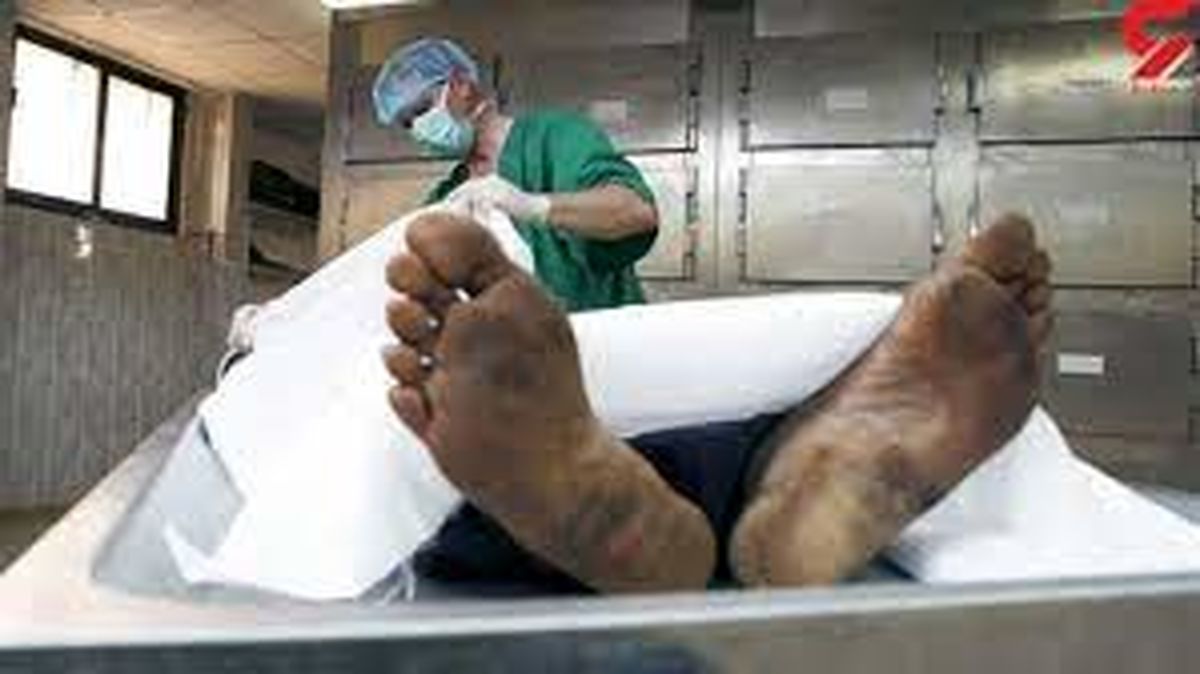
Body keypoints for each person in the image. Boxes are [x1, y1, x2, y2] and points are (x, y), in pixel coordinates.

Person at [382, 211, 1053, 592]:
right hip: (652, 407)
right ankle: (809, 466)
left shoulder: (545, 142)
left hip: (570, 402)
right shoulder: (475, 176)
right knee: (761, 439)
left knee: (459, 474)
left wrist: (538, 203)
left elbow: (631, 211)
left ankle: (612, 519)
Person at [372, 37, 659, 313]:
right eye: (406, 123)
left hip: (594, 339)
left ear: (460, 85)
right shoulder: (448, 197)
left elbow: (636, 212)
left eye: (421, 110)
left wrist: (532, 206)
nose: (417, 129)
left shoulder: (555, 138)